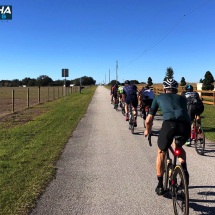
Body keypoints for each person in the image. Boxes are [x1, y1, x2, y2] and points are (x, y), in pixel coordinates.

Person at [144, 79, 191, 196]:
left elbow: (149, 119)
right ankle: (184, 170)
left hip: (169, 125)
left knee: (161, 152)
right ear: (176, 89)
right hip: (185, 126)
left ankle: (160, 185)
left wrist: (147, 130)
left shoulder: (158, 98)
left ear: (164, 89)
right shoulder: (182, 99)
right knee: (178, 146)